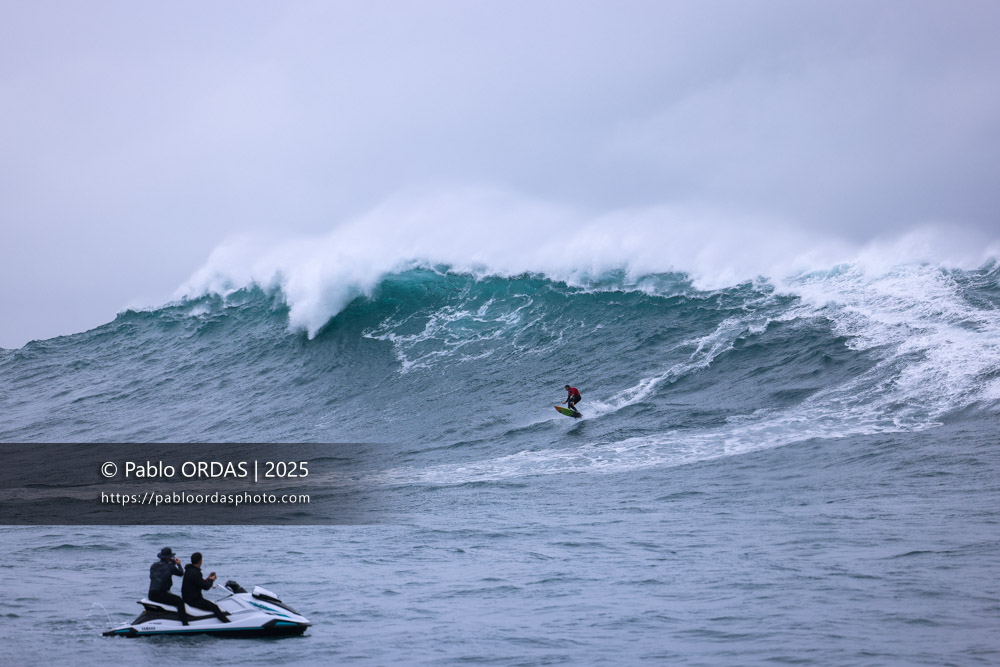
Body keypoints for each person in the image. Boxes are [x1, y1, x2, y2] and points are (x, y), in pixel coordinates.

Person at [182, 552, 230, 622]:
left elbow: (200, 583)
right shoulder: (196, 572)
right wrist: (211, 580)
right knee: (215, 607)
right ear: (200, 561)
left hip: (187, 598)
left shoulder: (188, 570)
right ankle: (227, 623)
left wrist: (208, 579)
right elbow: (206, 587)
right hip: (194, 600)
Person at [149, 547, 189, 625]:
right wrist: (179, 565)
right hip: (161, 594)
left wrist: (172, 564)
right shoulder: (170, 567)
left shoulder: (153, 565)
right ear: (168, 558)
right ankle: (185, 623)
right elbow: (181, 573)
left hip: (151, 593)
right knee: (179, 601)